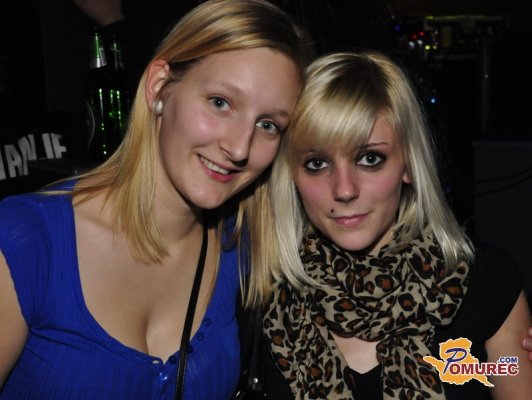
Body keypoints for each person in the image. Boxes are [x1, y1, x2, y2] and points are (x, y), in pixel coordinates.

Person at [0, 0, 314, 398]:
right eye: (220, 103)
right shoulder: (26, 242)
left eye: (268, 125)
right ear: (159, 87)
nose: (239, 147)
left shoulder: (245, 251)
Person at [262, 51, 532, 399]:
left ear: (408, 164)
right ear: (291, 174)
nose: (344, 190)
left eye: (369, 158)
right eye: (317, 163)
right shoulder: (262, 297)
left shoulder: (487, 283)